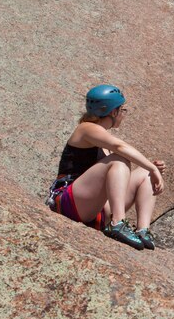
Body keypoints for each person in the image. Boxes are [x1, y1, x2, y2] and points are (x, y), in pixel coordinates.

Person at [47, 84, 165, 249]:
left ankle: (143, 230)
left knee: (145, 173)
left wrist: (151, 169)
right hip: (69, 203)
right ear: (113, 112)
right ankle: (117, 223)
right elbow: (120, 148)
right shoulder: (86, 129)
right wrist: (152, 168)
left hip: (95, 209)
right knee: (119, 160)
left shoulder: (103, 140)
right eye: (122, 110)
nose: (123, 114)